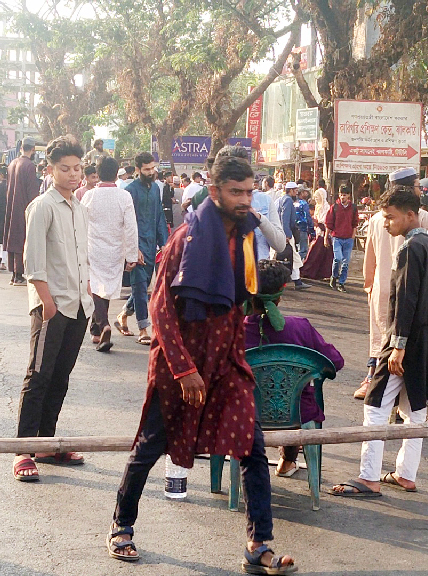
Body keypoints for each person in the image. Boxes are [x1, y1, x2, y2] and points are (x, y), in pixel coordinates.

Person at [107, 152, 297, 575]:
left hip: (227, 359)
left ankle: (259, 544)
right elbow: (159, 307)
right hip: (181, 362)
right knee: (150, 446)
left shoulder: (246, 237)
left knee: (252, 446)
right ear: (214, 192)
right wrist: (183, 369)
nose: (246, 199)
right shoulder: (185, 238)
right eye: (236, 192)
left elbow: (239, 301)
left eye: (249, 191)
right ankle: (122, 525)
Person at [330, 185, 428, 497]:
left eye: (390, 218)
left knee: (376, 404)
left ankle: (369, 477)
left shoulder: (410, 248)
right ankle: (405, 474)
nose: (386, 224)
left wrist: (398, 346)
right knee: (415, 410)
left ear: (411, 215)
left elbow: (406, 300)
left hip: (406, 339)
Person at [12, 136, 92, 481]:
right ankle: (22, 451)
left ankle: (45, 444)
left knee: (61, 376)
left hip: (79, 305)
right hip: (51, 305)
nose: (73, 174)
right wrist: (46, 303)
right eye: (65, 169)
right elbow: (34, 262)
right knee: (39, 375)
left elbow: (81, 258)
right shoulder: (42, 206)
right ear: (50, 170)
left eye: (77, 168)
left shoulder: (80, 207)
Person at [244, 259, 344, 477]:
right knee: (296, 396)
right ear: (280, 295)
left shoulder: (232, 331)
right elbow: (336, 362)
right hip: (297, 413)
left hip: (245, 412)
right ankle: (288, 461)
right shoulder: (301, 327)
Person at [355, 168, 428, 402]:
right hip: (410, 289)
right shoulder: (423, 218)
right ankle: (391, 387)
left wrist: (369, 285)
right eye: (418, 186)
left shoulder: (378, 218)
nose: (420, 190)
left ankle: (372, 378)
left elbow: (368, 258)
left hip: (381, 287)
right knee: (400, 339)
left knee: (380, 336)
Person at [82, 157, 138, 353]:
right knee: (103, 287)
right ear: (117, 173)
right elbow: (131, 228)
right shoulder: (124, 196)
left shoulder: (89, 196)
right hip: (115, 250)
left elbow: (80, 225)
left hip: (93, 248)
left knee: (97, 287)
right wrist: (131, 255)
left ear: (98, 173)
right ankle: (99, 328)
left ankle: (101, 326)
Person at [115, 152, 167, 346]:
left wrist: (165, 242)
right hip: (135, 246)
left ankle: (123, 315)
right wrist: (132, 248)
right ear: (138, 170)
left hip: (151, 243)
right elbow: (125, 224)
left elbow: (159, 216)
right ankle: (144, 329)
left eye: (152, 168)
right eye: (147, 169)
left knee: (143, 286)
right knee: (138, 284)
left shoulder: (155, 189)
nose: (151, 172)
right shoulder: (129, 191)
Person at [4, 141, 42, 286]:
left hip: (12, 204)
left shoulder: (12, 163)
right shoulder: (29, 166)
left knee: (12, 237)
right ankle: (18, 274)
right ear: (33, 149)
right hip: (23, 206)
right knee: (21, 239)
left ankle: (14, 274)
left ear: (21, 148)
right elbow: (32, 190)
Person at [273, 181, 312, 291]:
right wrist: (287, 234)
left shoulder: (281, 200)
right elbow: (285, 218)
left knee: (293, 257)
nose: (296, 193)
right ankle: (295, 281)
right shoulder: (288, 200)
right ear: (290, 191)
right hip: (286, 233)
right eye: (295, 190)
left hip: (282, 232)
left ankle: (297, 280)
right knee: (292, 257)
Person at [325, 185, 359, 292]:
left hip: (348, 238)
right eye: (341, 195)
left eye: (344, 195)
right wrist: (326, 237)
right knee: (338, 258)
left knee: (346, 261)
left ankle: (341, 282)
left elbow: (355, 223)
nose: (342, 197)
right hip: (337, 238)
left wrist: (353, 236)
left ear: (349, 196)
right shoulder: (334, 207)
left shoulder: (353, 208)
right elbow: (329, 224)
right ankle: (334, 276)